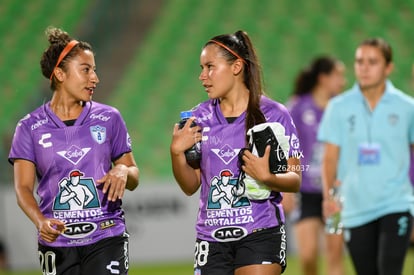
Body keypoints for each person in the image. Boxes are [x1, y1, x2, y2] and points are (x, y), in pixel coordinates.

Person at [8, 27, 139, 275]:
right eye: (86, 70)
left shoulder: (109, 118)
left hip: (106, 234)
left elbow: (133, 174)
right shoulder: (28, 127)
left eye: (94, 69)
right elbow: (23, 188)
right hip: (57, 242)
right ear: (59, 74)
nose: (95, 78)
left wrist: (123, 169)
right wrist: (40, 221)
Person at [170, 30, 302, 275]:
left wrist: (268, 177)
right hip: (211, 239)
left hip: (260, 233)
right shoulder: (197, 118)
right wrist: (176, 153)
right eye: (201, 67)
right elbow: (190, 186)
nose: (202, 76)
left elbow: (294, 179)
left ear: (237, 66)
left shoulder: (274, 114)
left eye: (210, 67)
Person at [318, 37, 414, 275]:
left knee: (389, 269)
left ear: (388, 67)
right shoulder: (338, 107)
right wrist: (329, 197)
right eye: (360, 61)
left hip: (396, 203)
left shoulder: (407, 107)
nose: (364, 67)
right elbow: (329, 159)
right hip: (354, 207)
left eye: (373, 62)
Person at [284, 56, 346, 275]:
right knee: (308, 254)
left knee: (334, 255)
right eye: (338, 75)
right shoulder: (298, 107)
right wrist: (285, 188)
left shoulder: (342, 109)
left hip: (335, 192)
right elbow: (285, 146)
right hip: (305, 192)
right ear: (323, 78)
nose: (343, 81)